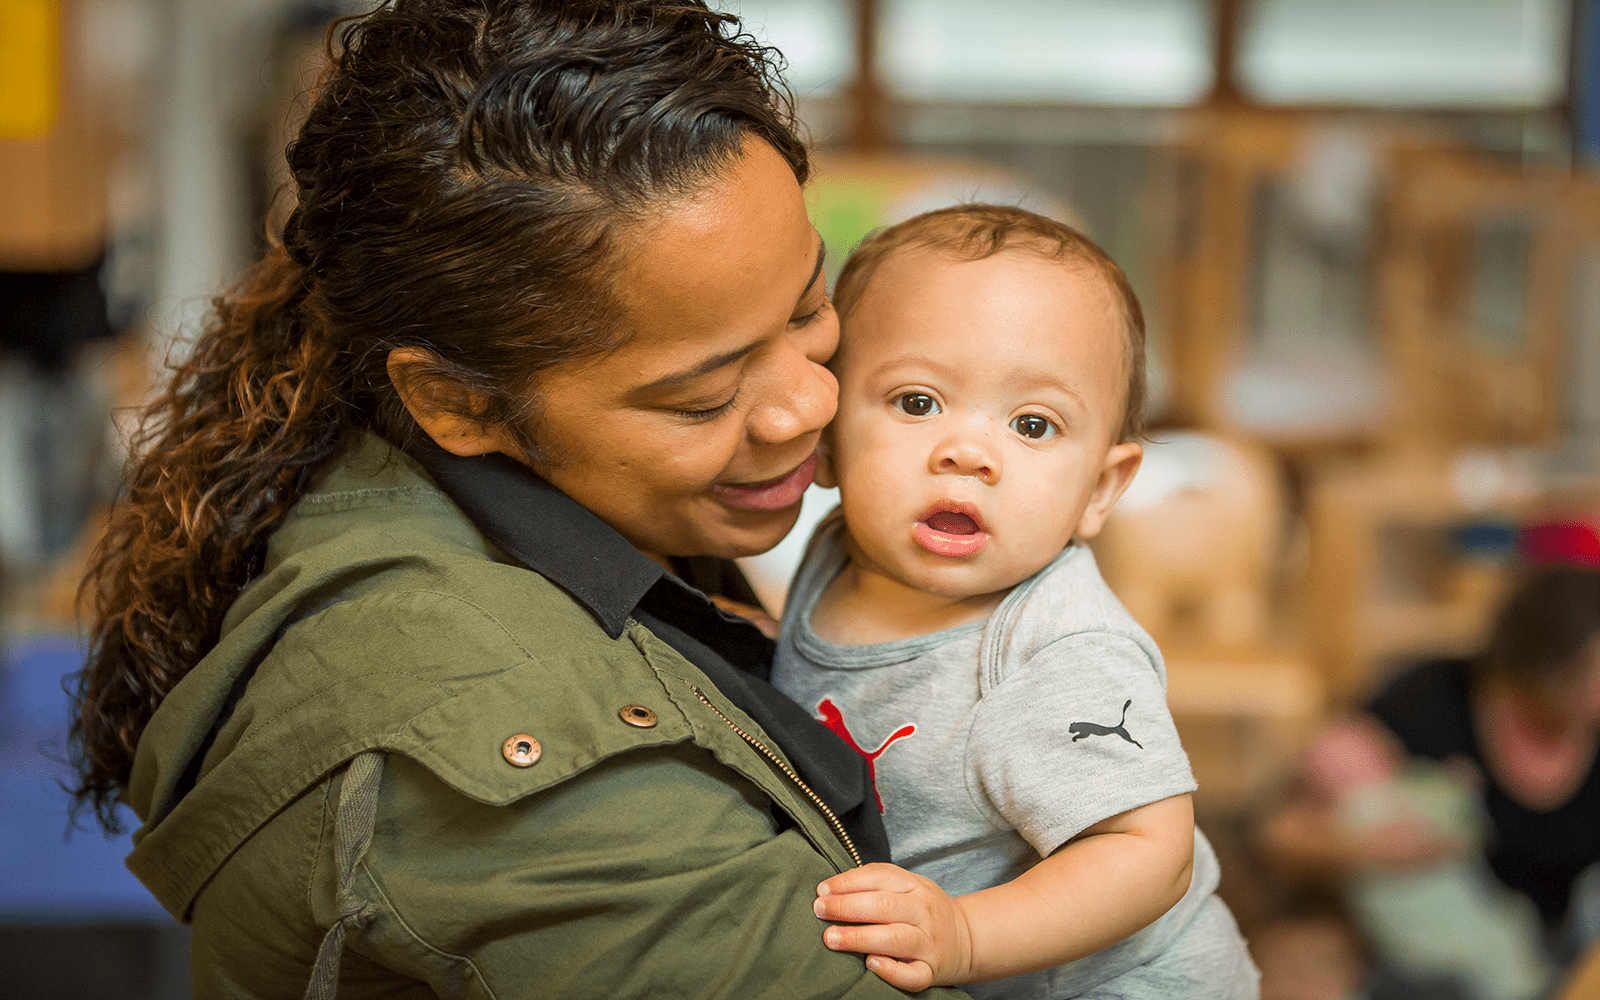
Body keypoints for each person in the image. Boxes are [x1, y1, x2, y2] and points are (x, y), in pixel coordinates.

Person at [67, 3, 971, 997]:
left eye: (808, 305)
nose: (813, 401)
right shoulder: (530, 767)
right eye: (705, 393)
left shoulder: (556, 499)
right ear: (456, 401)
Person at [771, 204, 1259, 998]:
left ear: (1099, 490)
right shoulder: (837, 549)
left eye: (1033, 424)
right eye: (917, 402)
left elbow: (1148, 850)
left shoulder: (1057, 651)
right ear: (828, 437)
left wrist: (966, 935)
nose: (968, 453)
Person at [1263, 565, 1600, 999]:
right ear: (1549, 663)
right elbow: (1279, 833)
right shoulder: (1431, 701)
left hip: (1558, 958)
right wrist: (1368, 847)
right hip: (1415, 962)